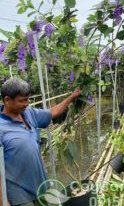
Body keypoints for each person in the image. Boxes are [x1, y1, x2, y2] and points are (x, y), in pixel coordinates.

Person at [0, 78, 81, 206]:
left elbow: (53, 112)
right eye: (22, 100)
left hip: (41, 187)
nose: (27, 103)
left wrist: (72, 97)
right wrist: (4, 202)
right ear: (7, 100)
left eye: (28, 99)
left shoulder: (28, 113)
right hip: (20, 197)